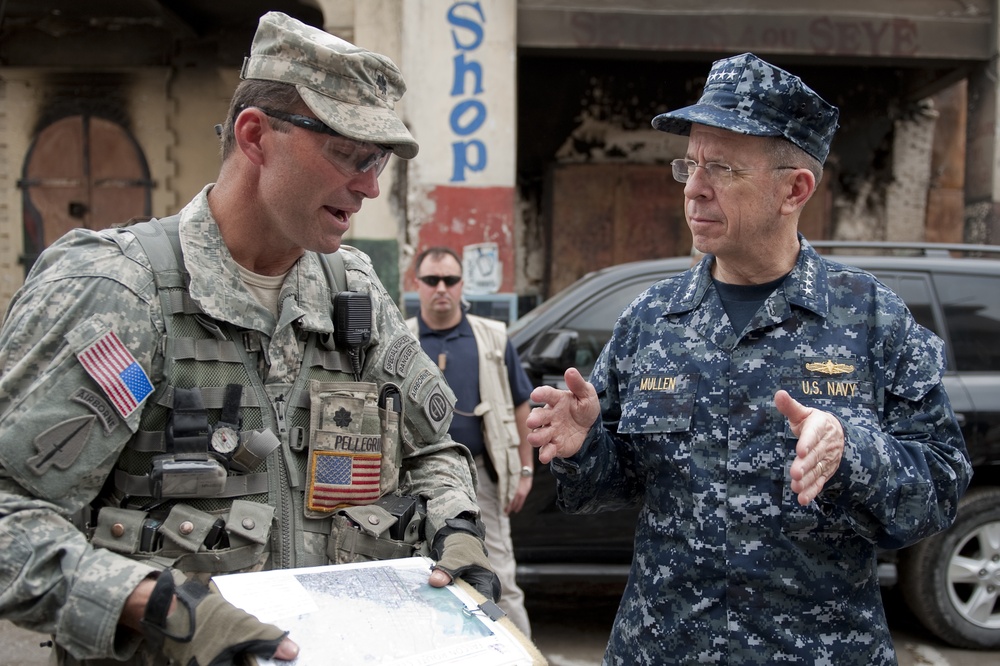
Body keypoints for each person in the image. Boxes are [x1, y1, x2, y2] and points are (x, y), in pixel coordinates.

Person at [0, 12, 498, 666]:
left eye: (377, 162)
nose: (370, 185)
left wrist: (455, 528)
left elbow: (429, 448)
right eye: (349, 154)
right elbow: (11, 514)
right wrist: (155, 604)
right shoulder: (120, 292)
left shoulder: (350, 288)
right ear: (257, 136)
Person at [526, 52, 972, 665]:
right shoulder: (651, 319)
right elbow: (619, 482)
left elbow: (942, 486)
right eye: (690, 163)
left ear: (795, 189)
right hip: (664, 648)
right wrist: (584, 448)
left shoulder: (872, 318)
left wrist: (850, 452)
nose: (695, 186)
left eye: (724, 168)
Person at [406, 246, 535, 637]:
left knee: (501, 577)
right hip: (414, 480)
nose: (441, 288)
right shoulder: (402, 338)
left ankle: (519, 657)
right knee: (422, 574)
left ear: (462, 285)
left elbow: (520, 405)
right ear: (418, 285)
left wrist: (525, 470)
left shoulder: (492, 338)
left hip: (481, 478)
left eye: (450, 280)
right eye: (431, 280)